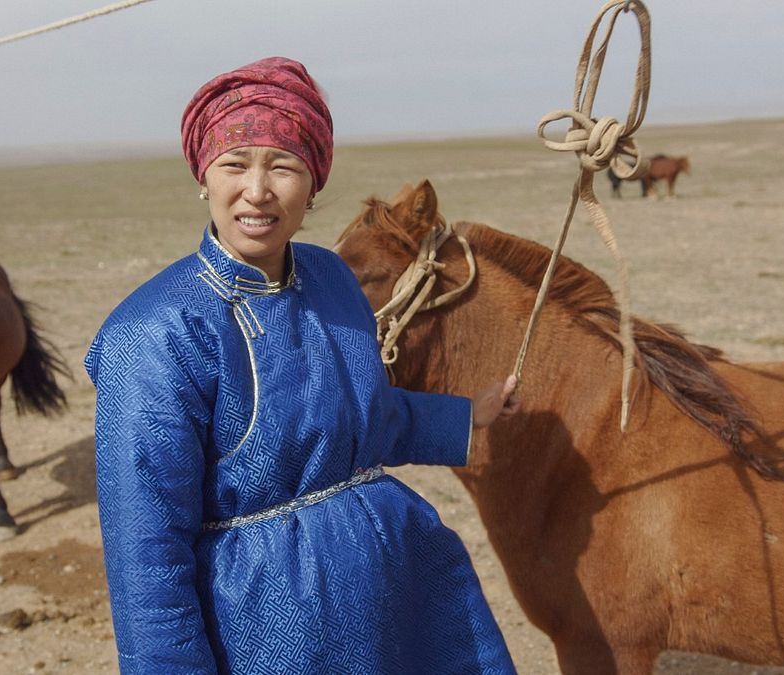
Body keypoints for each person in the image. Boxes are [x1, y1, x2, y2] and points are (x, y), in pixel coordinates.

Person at [85, 56, 521, 674]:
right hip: (268, 619)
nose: (257, 191)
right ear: (203, 176)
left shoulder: (331, 278)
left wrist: (465, 417)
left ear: (313, 184)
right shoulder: (153, 333)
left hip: (393, 584)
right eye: (235, 164)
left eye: (282, 166)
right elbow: (145, 553)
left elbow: (365, 417)